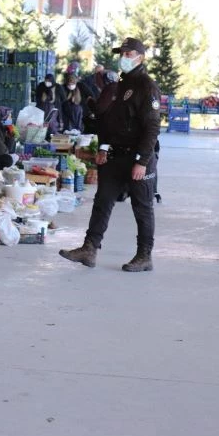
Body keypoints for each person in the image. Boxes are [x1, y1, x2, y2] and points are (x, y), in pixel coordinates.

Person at [59, 37, 161, 272]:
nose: (123, 58)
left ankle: (144, 256)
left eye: (128, 54)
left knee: (142, 207)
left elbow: (152, 128)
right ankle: (89, 248)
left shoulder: (147, 86)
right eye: (121, 54)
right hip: (114, 157)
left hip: (137, 159)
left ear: (140, 57)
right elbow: (108, 121)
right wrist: (103, 147)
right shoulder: (119, 85)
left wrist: (142, 161)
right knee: (102, 202)